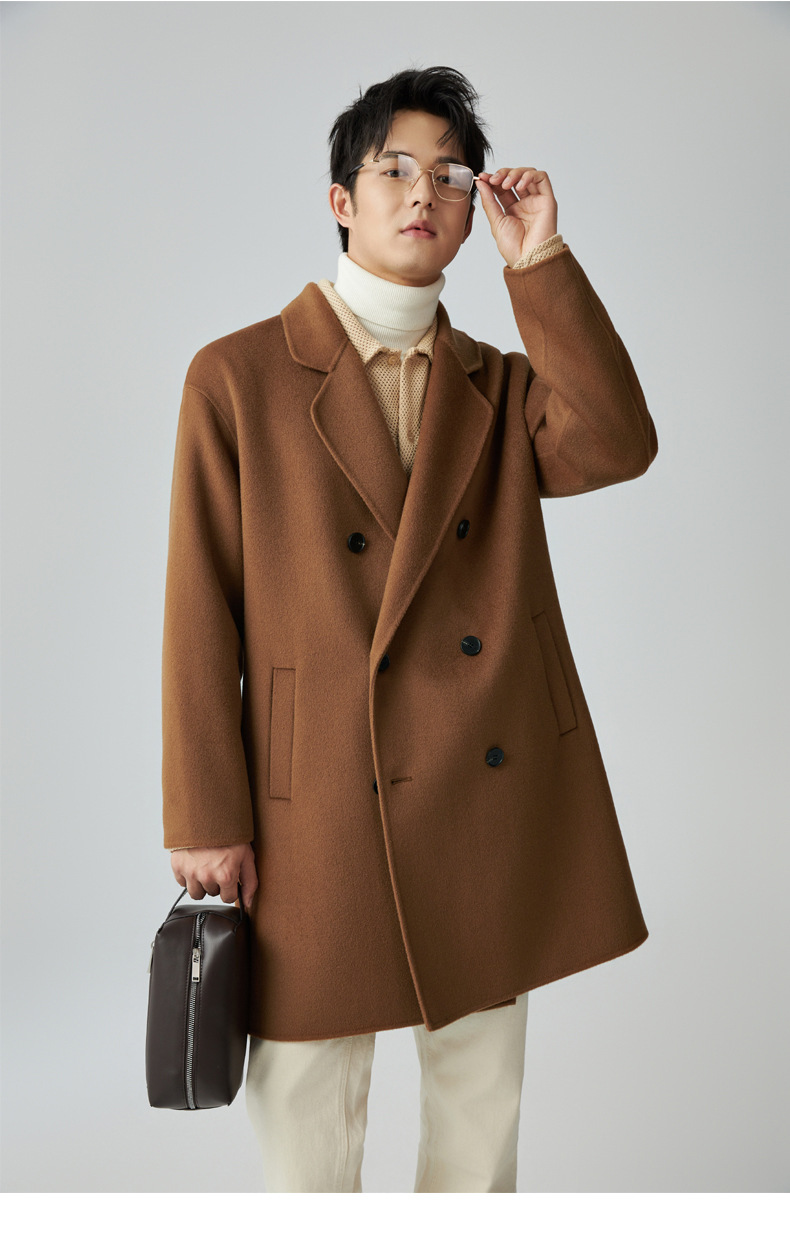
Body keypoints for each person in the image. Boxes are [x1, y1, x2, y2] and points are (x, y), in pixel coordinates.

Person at [162, 65, 658, 1192]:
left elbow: (617, 441)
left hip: (481, 784)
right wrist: (204, 811)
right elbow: (198, 606)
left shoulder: (498, 385)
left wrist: (539, 263)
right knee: (305, 1103)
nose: (423, 191)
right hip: (315, 796)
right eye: (394, 169)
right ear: (343, 199)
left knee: (480, 1107)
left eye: (449, 173)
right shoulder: (237, 375)